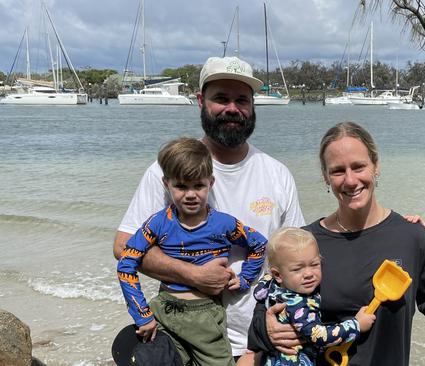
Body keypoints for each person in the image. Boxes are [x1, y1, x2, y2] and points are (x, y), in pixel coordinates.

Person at [113, 56, 305, 365]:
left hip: (260, 336)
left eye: (241, 99)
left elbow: (299, 258)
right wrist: (194, 275)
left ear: (253, 105)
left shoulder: (278, 174)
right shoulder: (168, 171)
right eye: (221, 98)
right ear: (201, 101)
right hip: (180, 335)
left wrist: (274, 327)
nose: (232, 108)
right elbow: (123, 247)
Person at [248, 122, 425, 365]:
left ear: (376, 165)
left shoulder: (411, 237)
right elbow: (263, 311)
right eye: (338, 170)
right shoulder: (304, 244)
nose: (350, 180)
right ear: (325, 177)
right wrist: (266, 331)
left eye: (359, 166)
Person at [117, 137, 268, 365]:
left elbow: (260, 244)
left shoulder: (224, 224)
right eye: (181, 186)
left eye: (198, 185)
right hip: (164, 311)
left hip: (205, 318)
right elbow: (126, 262)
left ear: (211, 183)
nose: (190, 194)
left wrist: (245, 279)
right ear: (166, 184)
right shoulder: (157, 223)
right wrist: (142, 314)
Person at [253, 227, 376, 365]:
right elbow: (319, 336)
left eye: (314, 264)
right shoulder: (297, 305)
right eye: (298, 269)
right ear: (278, 275)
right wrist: (356, 325)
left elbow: (258, 293)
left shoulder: (270, 285)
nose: (308, 274)